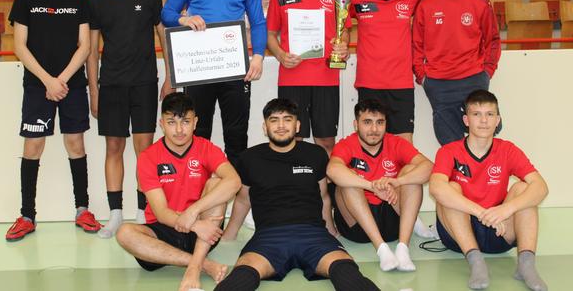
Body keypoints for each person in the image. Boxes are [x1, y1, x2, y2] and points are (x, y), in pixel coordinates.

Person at [218, 98, 380, 291]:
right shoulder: (249, 158)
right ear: (265, 126)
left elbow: (323, 197)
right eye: (274, 120)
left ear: (297, 126)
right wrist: (229, 235)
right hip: (269, 236)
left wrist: (331, 231)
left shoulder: (315, 154)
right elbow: (243, 200)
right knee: (242, 275)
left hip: (313, 233)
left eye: (287, 119)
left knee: (346, 270)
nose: (280, 126)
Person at [5, 0, 101, 241]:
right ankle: (27, 215)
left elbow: (85, 46)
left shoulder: (79, 0)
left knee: (76, 145)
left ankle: (82, 209)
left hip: (71, 85)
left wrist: (62, 79)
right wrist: (48, 81)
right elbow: (19, 46)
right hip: (37, 86)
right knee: (32, 147)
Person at [161, 0, 266, 167]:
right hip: (199, 67)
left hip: (236, 68)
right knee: (198, 134)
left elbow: (259, 22)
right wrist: (184, 20)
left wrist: (259, 57)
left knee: (236, 136)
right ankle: (199, 201)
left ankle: (238, 203)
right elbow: (167, 13)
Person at [87, 0, 174, 239]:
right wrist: (94, 91)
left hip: (144, 83)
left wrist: (170, 76)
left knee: (145, 151)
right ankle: (115, 215)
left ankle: (142, 213)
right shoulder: (96, 2)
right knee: (114, 147)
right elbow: (91, 50)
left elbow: (164, 36)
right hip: (111, 85)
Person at [115, 93, 241, 291]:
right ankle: (203, 264)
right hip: (164, 231)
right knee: (124, 233)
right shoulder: (149, 157)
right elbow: (161, 212)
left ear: (195, 122)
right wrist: (195, 224)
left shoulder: (206, 148)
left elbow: (234, 182)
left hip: (201, 235)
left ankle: (194, 267)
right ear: (161, 124)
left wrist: (193, 213)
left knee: (218, 183)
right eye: (172, 122)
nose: (180, 130)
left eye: (186, 121)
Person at [430, 90, 548, 290]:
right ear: (466, 120)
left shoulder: (508, 149)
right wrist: (480, 212)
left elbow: (541, 187)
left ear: (497, 120)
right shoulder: (449, 151)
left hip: (498, 229)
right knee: (450, 188)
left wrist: (506, 210)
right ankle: (476, 263)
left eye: (489, 114)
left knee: (523, 189)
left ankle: (526, 265)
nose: (484, 121)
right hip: (459, 234)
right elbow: (436, 187)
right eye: (477, 114)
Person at [266, 0, 349, 155]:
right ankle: (296, 189)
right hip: (292, 77)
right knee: (294, 140)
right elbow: (270, 35)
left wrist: (343, 47)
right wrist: (281, 55)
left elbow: (345, 32)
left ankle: (325, 190)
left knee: (326, 141)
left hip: (326, 77)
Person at [327, 99, 433, 272]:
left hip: (392, 220)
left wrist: (396, 181)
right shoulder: (346, 144)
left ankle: (402, 249)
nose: (374, 129)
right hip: (356, 225)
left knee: (411, 172)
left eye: (380, 122)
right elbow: (332, 170)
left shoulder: (396, 143)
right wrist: (371, 186)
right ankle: (382, 250)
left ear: (386, 124)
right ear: (356, 124)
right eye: (367, 122)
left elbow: (429, 167)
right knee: (347, 178)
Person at [412, 0, 501, 146]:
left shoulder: (480, 3)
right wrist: (423, 77)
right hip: (438, 83)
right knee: (450, 146)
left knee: (483, 140)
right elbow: (416, 45)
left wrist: (486, 72)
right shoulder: (426, 5)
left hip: (474, 79)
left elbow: (493, 40)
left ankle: (481, 179)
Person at [350, 0, 420, 144]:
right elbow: (341, 27)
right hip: (369, 83)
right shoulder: (357, 1)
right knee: (369, 141)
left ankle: (402, 177)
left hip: (401, 84)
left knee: (404, 144)